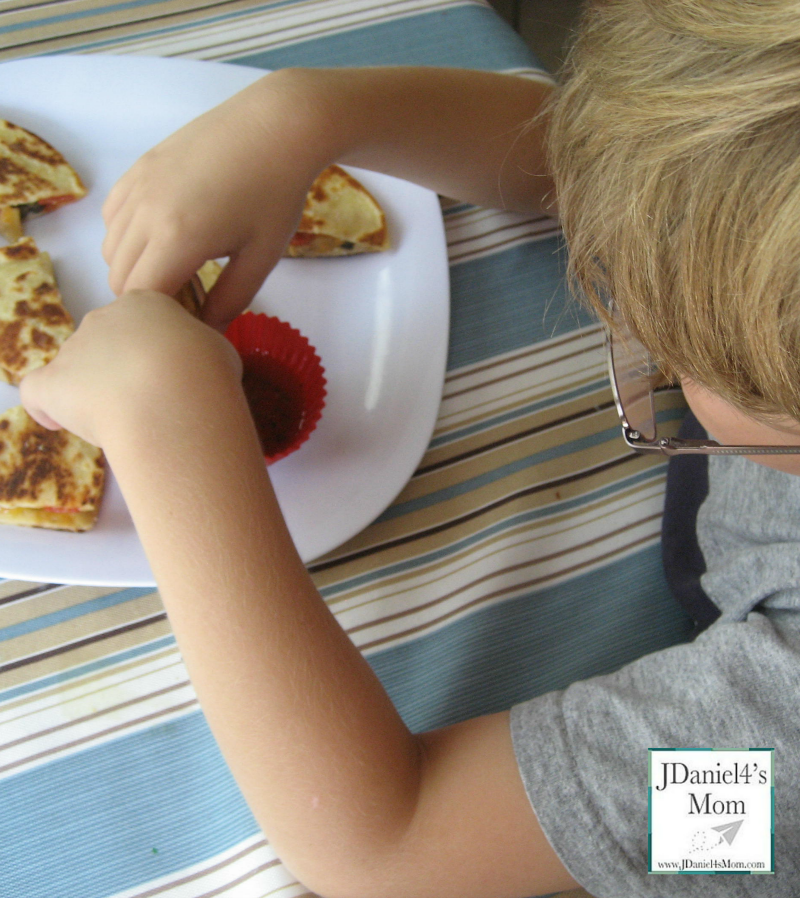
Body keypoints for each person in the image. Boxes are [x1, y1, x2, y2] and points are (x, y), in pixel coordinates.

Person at [19, 0, 800, 894]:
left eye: (689, 352)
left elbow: (389, 847)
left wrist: (170, 431)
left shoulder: (778, 770)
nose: (644, 335)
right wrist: (310, 114)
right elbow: (627, 173)